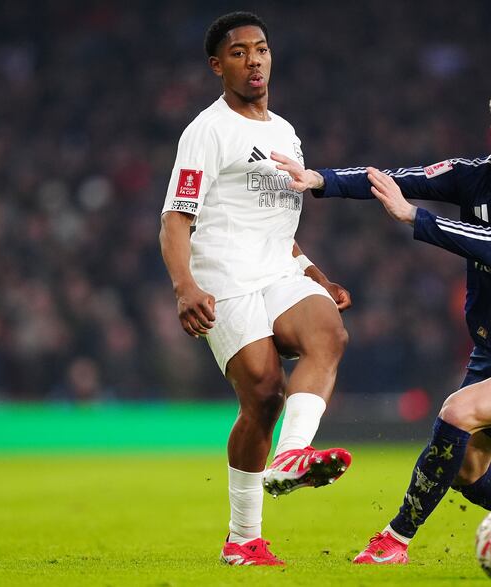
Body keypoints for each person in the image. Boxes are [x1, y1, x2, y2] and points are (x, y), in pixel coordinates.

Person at [273, 79, 491, 564]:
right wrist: (319, 180)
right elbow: (394, 178)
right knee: (466, 469)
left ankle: (394, 540)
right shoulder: (470, 175)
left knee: (455, 412)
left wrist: (414, 218)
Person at [159, 11, 352, 567]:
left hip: (278, 271)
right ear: (218, 66)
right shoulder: (206, 131)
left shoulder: (285, 132)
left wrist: (314, 272)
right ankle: (242, 539)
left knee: (329, 334)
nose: (254, 60)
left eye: (261, 49)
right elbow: (176, 218)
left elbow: (274, 220)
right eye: (239, 52)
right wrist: (184, 286)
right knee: (265, 395)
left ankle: (292, 457)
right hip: (224, 278)